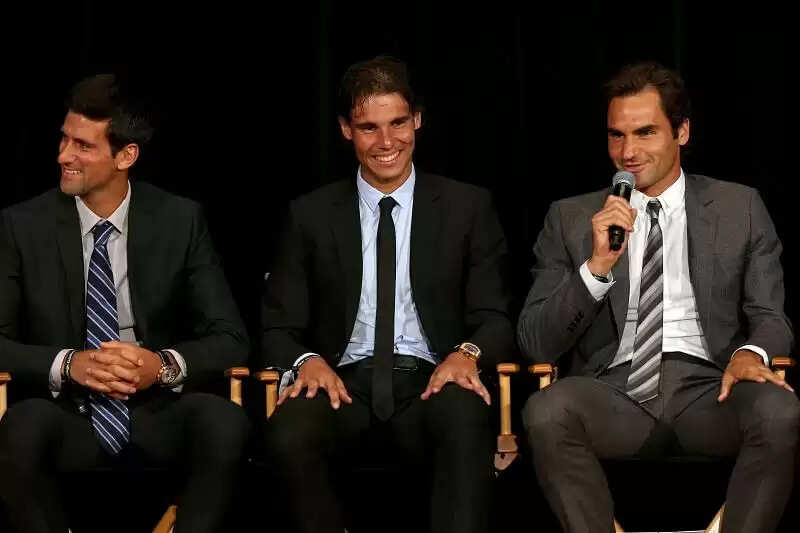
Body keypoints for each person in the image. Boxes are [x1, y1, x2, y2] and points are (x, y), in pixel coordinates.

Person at [518, 61, 798, 533]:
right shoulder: (570, 218)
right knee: (546, 411)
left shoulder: (740, 207)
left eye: (645, 132)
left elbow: (771, 316)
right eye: (616, 135)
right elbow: (536, 342)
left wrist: (750, 354)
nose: (628, 152)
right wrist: (596, 268)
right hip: (614, 391)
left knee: (779, 410)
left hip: (712, 388)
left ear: (681, 132)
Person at [261, 55, 515, 533]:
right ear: (346, 130)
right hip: (341, 384)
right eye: (368, 127)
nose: (386, 142)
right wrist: (307, 361)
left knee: (465, 417)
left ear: (417, 119)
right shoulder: (309, 215)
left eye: (397, 123)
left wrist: (466, 354)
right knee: (288, 432)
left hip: (432, 381)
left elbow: (496, 316)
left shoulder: (467, 207)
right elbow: (277, 327)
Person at [0, 73, 251, 533]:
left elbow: (231, 337)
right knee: (20, 427)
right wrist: (68, 364)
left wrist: (161, 365)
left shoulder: (179, 219)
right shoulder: (22, 226)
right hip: (67, 410)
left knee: (225, 423)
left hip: (155, 407)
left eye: (83, 145)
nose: (63, 156)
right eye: (64, 139)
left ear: (126, 156)